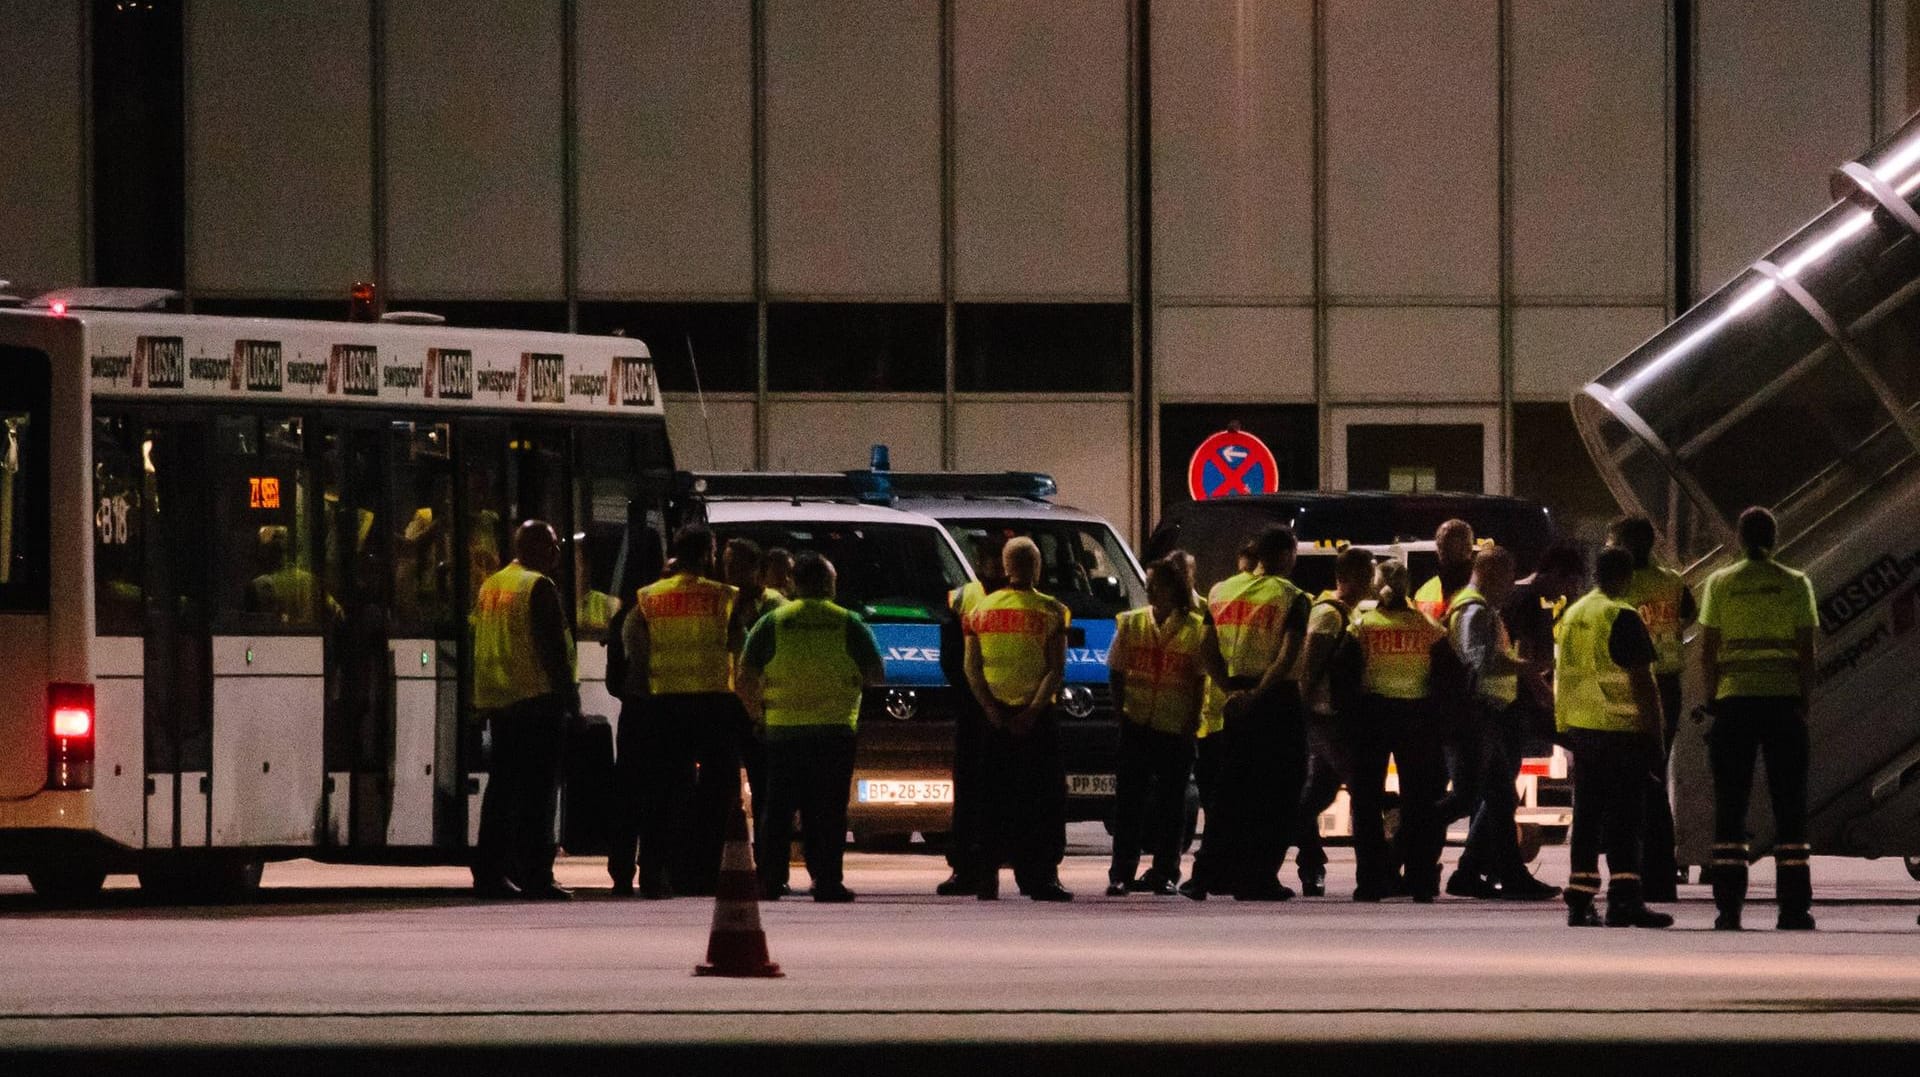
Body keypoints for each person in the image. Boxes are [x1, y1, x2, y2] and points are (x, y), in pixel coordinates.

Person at [736, 552, 885, 903]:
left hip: (783, 733)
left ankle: (770, 881)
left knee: (777, 811)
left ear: (794, 584)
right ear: (829, 584)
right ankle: (827, 881)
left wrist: (758, 714)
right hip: (834, 733)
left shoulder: (772, 622)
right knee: (828, 812)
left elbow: (744, 676)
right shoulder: (849, 622)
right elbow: (875, 674)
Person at [1698, 506, 1819, 931]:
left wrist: (1713, 698)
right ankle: (1793, 909)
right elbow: (1806, 651)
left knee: (1730, 809)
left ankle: (1728, 909)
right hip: (1783, 704)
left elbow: (1707, 649)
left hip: (1734, 705)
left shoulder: (1719, 583)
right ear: (1775, 538)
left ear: (1739, 538)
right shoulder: (1795, 583)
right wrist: (1804, 701)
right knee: (1790, 810)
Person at [1185, 525, 1311, 902]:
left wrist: (1230, 689)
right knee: (1280, 793)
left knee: (1229, 793)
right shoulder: (1292, 597)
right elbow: (1286, 654)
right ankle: (1258, 877)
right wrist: (1257, 694)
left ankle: (1204, 875)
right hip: (1275, 699)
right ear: (1286, 554)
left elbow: (1205, 648)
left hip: (1234, 699)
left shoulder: (1220, 591)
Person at [620, 524, 745, 898]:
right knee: (717, 794)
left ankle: (654, 873)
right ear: (708, 554)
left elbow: (635, 654)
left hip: (664, 706)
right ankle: (704, 873)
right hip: (714, 705)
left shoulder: (647, 599)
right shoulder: (726, 597)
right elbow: (741, 653)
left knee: (663, 794)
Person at [1557, 547, 1673, 929]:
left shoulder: (1575, 613)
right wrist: (1655, 738)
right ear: (1627, 577)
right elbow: (1643, 683)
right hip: (1621, 732)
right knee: (1626, 820)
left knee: (1587, 817)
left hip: (1582, 729)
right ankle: (1624, 900)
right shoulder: (1621, 615)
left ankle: (1580, 899)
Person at [1106, 558, 1227, 896]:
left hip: (1176, 728)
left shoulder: (1194, 627)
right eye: (1149, 585)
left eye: (1157, 585)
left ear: (1174, 589)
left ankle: (1165, 872)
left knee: (1172, 806)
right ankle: (1121, 873)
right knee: (1129, 803)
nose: (1151, 591)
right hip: (1137, 723)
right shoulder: (1131, 624)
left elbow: (1200, 681)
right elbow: (1115, 670)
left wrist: (1192, 723)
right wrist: (1121, 713)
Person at [471, 520, 578, 901]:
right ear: (532, 547)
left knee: (501, 792)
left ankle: (489, 873)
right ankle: (537, 875)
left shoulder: (492, 585)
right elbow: (551, 650)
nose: (557, 553)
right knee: (538, 795)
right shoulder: (537, 586)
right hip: (536, 700)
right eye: (551, 545)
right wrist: (569, 697)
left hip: (500, 702)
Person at [1445, 547, 1560, 900]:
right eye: (1508, 577)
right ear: (1493, 573)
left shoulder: (1480, 608)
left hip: (1487, 713)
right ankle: (1405, 844)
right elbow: (1478, 660)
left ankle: (1489, 874)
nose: (1512, 586)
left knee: (1498, 798)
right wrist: (1523, 667)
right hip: (1481, 713)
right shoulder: (1474, 610)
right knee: (1472, 799)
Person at [963, 536, 1073, 901]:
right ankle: (1040, 877)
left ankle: (986, 876)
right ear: (1037, 568)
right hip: (1036, 719)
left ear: (1006, 567)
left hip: (993, 719)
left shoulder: (979, 610)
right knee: (1041, 801)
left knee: (990, 798)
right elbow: (1055, 669)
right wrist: (1032, 712)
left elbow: (972, 668)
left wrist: (992, 710)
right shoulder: (1053, 611)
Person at [1608, 515, 1697, 902]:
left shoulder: (1621, 586)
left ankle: (1647, 866)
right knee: (1656, 771)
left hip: (1636, 683)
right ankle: (1662, 867)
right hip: (1669, 684)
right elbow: (1688, 614)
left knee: (1636, 777)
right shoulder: (1673, 581)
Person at [1354, 559, 1451, 902]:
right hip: (1417, 717)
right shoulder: (1427, 626)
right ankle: (1421, 879)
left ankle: (1370, 881)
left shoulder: (1362, 626)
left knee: (1366, 801)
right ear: (1407, 586)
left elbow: (1349, 673)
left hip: (1373, 715)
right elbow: (1446, 673)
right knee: (1420, 802)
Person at [1288, 547, 1377, 897]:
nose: (1372, 582)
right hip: (1328, 719)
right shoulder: (1328, 615)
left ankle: (1276, 853)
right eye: (1367, 574)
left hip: (1330, 718)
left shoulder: (1342, 614)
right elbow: (1309, 669)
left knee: (1315, 796)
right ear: (1350, 577)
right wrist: (1304, 712)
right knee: (1364, 793)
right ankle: (1371, 875)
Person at [936, 530, 1009, 897]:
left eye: (999, 559)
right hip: (975, 709)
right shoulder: (964, 598)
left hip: (1012, 708)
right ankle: (965, 867)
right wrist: (975, 698)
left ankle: (1024, 866)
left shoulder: (1025, 598)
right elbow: (950, 656)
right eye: (989, 559)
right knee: (968, 792)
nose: (994, 566)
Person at [723, 537, 786, 854]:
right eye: (725, 565)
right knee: (723, 787)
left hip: (762, 707)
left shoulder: (776, 608)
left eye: (736, 566)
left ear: (757, 571)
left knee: (765, 788)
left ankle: (768, 861)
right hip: (725, 704)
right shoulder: (721, 600)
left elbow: (758, 654)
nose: (729, 573)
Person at [1188, 544, 1247, 843]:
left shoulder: (1212, 603)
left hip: (1223, 715)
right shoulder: (1216, 601)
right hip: (1200, 718)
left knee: (1220, 793)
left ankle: (1217, 856)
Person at [1415, 519, 1477, 622]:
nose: (1442, 549)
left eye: (1450, 542)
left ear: (1469, 548)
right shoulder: (1425, 591)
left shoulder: (1481, 588)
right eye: (1440, 543)